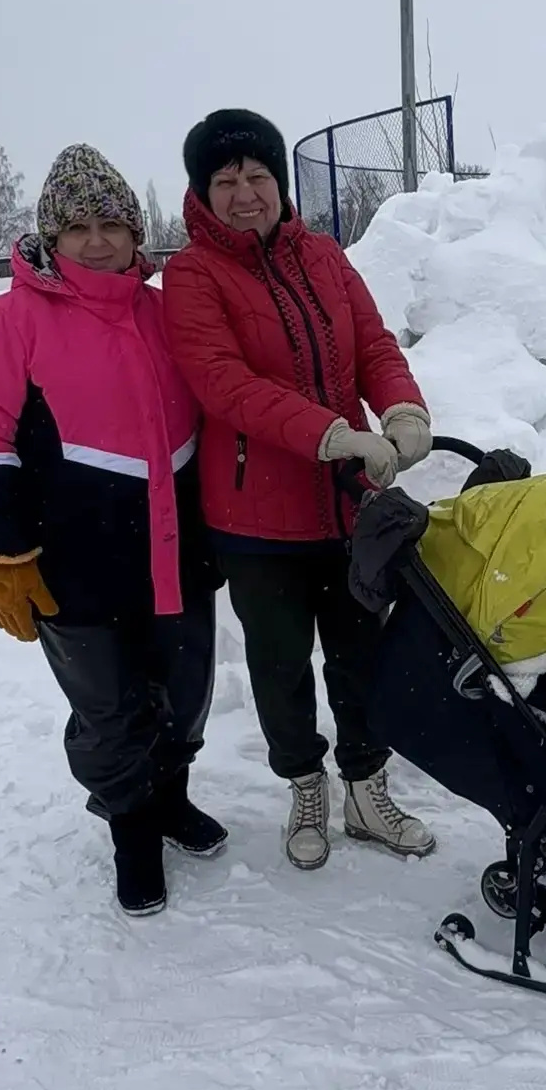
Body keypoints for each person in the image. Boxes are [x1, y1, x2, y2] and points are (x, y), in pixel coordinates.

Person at [0, 145, 224, 916]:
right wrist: (4, 555)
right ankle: (132, 828)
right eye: (79, 227)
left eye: (113, 223)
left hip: (177, 552)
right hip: (74, 559)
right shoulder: (8, 322)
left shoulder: (167, 311)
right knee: (109, 708)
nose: (98, 240)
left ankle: (170, 798)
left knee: (185, 692)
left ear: (138, 234)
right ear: (51, 237)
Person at [163, 108, 436, 872]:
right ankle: (306, 786)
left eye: (257, 175)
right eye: (226, 180)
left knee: (358, 655)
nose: (245, 192)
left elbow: (374, 344)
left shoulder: (323, 255)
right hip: (256, 518)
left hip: (347, 504)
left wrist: (403, 407)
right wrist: (330, 433)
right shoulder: (189, 276)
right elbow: (222, 382)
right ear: (202, 192)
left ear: (278, 181)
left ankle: (365, 789)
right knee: (280, 665)